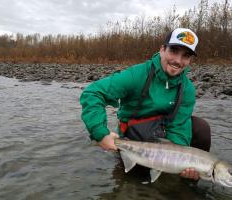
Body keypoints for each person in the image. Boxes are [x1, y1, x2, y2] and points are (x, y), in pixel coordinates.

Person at [80, 28, 211, 181]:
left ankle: (184, 182)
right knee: (131, 183)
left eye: (186, 56)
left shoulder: (187, 89)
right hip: (132, 140)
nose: (178, 60)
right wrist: (100, 133)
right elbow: (93, 93)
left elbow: (179, 126)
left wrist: (181, 163)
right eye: (174, 51)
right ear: (162, 50)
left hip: (163, 139)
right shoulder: (137, 75)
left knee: (201, 128)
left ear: (190, 61)